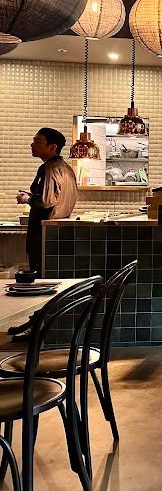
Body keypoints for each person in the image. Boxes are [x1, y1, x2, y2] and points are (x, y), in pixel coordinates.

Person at [9, 128, 78, 339]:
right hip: (55, 232)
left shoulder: (48, 168)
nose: (32, 144)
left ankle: (37, 328)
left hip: (42, 232)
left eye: (38, 141)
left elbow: (47, 201)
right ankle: (35, 322)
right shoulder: (66, 168)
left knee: (39, 280)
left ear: (52, 147)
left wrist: (27, 199)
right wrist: (33, 194)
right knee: (45, 279)